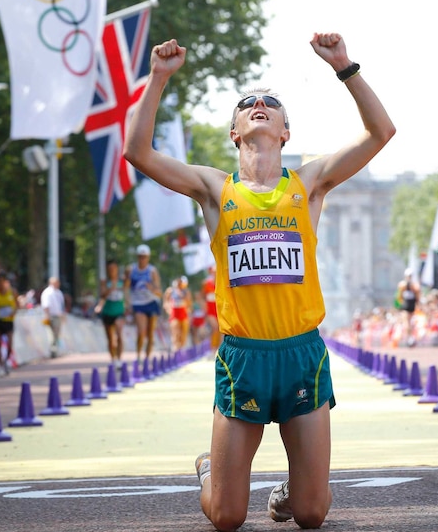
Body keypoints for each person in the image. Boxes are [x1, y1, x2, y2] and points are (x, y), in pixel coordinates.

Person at [124, 33, 395, 531]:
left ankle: (294, 489)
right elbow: (137, 151)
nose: (260, 105)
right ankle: (211, 469)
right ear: (235, 132)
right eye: (248, 104)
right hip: (243, 357)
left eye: (271, 104)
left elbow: (381, 133)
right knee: (226, 518)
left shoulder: (308, 184)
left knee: (311, 514)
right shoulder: (214, 189)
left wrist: (345, 67)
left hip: (301, 355)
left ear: (286, 132)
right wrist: (158, 78)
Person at [126, 244, 161, 363]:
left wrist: (151, 288)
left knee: (150, 334)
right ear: (137, 257)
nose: (142, 259)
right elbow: (125, 287)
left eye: (144, 257)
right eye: (140, 256)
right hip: (138, 304)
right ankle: (138, 355)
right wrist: (127, 302)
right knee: (141, 332)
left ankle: (147, 359)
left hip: (151, 302)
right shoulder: (131, 269)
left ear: (148, 257)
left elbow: (158, 292)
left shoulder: (152, 271)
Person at [99, 260, 127, 367]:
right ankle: (113, 359)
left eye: (114, 269)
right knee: (110, 338)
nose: (112, 271)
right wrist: (110, 288)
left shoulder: (122, 281)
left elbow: (126, 292)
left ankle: (119, 359)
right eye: (110, 269)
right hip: (107, 311)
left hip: (119, 311)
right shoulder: (105, 282)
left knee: (119, 335)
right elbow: (102, 295)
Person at [41, 276, 66, 358]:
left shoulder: (59, 292)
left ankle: (55, 350)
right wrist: (47, 316)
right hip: (51, 316)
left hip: (58, 315)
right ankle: (53, 351)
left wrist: (63, 315)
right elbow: (46, 305)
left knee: (56, 334)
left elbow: (61, 305)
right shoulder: (47, 292)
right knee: (51, 334)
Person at [395, 269, 420, 346]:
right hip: (408, 303)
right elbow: (399, 295)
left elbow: (417, 293)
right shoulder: (406, 284)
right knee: (407, 321)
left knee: (409, 322)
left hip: (409, 304)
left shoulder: (411, 285)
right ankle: (409, 337)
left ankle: (410, 337)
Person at [202, 266, 221, 351]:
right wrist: (204, 308)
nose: (215, 273)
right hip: (210, 309)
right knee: (215, 327)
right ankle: (213, 348)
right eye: (213, 272)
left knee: (220, 330)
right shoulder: (206, 283)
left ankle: (219, 348)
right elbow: (203, 296)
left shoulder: (221, 282)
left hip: (219, 308)